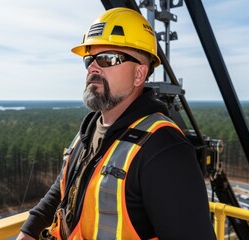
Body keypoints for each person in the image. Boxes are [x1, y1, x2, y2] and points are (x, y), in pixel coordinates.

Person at [16, 7, 216, 240]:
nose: (93, 67)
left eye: (108, 58)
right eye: (89, 59)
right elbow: (66, 188)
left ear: (139, 74)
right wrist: (30, 230)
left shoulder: (164, 150)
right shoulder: (89, 131)